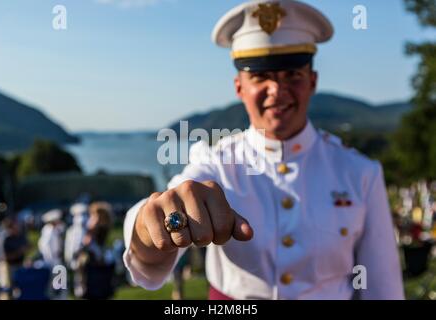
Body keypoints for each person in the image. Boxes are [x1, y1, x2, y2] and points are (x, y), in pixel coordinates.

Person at [123, 0, 404, 299]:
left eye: (292, 75)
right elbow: (160, 224)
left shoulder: (360, 173)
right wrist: (148, 224)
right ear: (239, 87)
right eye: (260, 76)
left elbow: (382, 287)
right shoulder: (215, 162)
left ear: (312, 81)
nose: (277, 90)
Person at [0, 216, 29, 300]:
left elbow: (28, 246)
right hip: (7, 267)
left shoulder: (19, 236)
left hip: (20, 265)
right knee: (6, 291)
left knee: (18, 290)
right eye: (16, 225)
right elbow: (3, 257)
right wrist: (19, 252)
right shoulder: (3, 238)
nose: (18, 227)